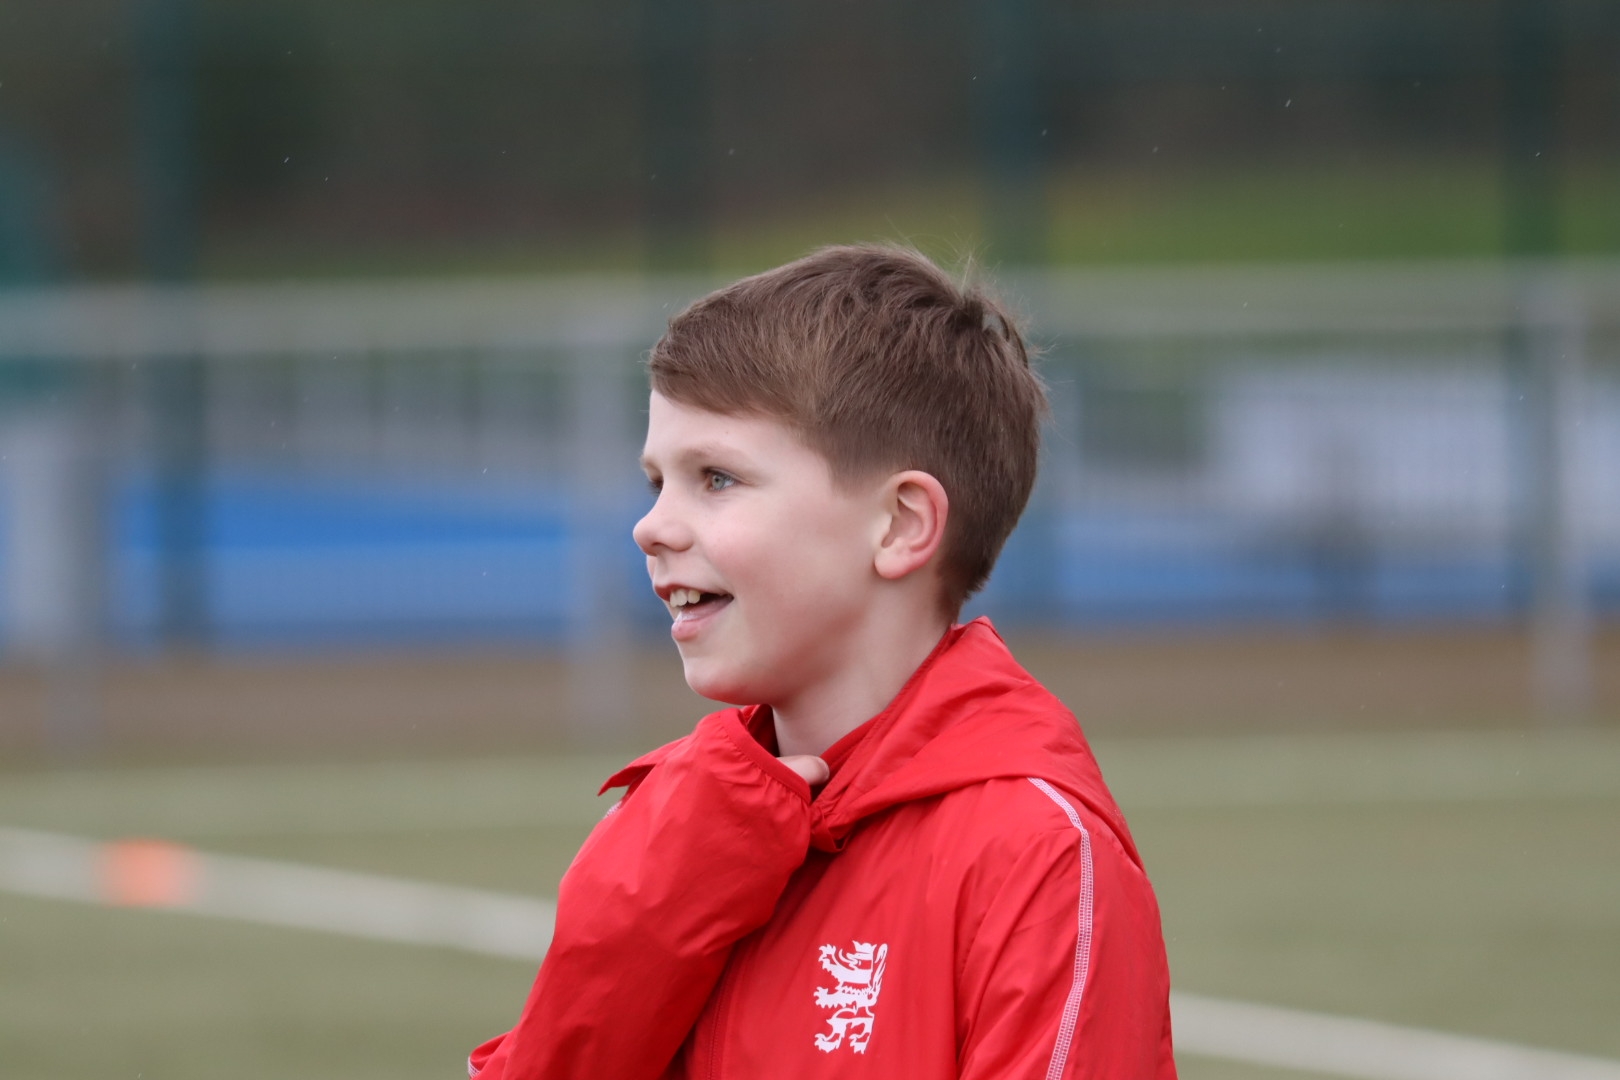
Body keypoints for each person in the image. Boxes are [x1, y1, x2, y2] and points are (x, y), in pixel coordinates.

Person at [468, 245, 1176, 1079]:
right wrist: (641, 921)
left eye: (717, 479)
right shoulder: (666, 825)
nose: (650, 526)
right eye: (658, 481)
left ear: (901, 525)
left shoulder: (1035, 852)